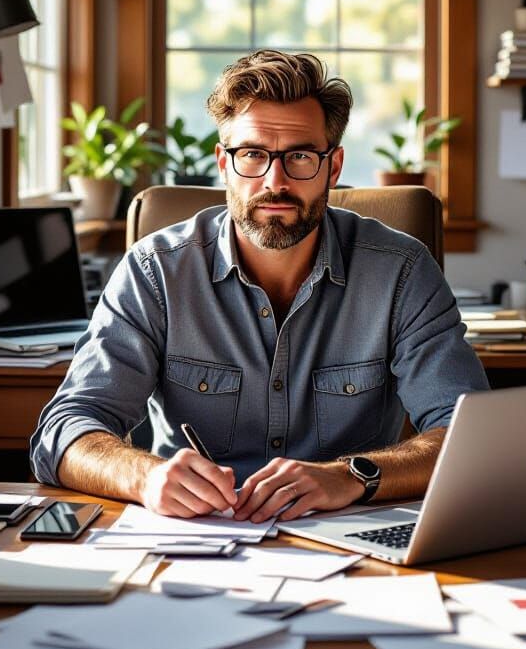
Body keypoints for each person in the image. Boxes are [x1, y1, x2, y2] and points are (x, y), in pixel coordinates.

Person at [30, 50, 488, 522]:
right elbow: (65, 430)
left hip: (350, 537)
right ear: (224, 164)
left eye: (301, 157)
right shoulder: (155, 271)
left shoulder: (402, 271)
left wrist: (352, 475)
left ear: (332, 166)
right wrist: (145, 476)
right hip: (193, 539)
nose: (276, 181)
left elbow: (468, 435)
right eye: (252, 155)